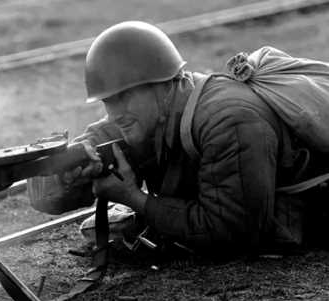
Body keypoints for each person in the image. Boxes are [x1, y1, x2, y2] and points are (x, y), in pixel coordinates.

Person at [28, 21, 328, 256]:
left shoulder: (229, 120)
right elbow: (48, 193)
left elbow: (231, 233)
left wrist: (134, 199)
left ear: (162, 85)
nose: (116, 113)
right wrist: (69, 172)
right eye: (108, 102)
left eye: (123, 97)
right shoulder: (149, 114)